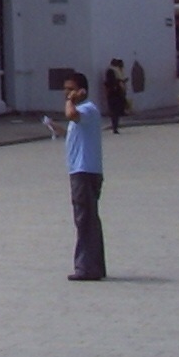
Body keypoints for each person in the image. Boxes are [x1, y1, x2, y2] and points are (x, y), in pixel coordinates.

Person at [43, 71, 104, 281]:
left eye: (70, 89)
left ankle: (86, 267)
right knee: (89, 220)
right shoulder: (82, 113)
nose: (66, 93)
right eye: (65, 90)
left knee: (84, 220)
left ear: (81, 90)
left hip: (84, 171)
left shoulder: (86, 109)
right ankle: (95, 265)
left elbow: (71, 115)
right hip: (82, 169)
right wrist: (57, 129)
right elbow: (73, 131)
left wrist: (71, 101)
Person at [101, 58, 130, 134]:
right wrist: (119, 83)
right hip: (114, 94)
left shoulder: (115, 71)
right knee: (114, 112)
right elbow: (112, 82)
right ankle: (115, 127)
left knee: (115, 112)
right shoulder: (112, 71)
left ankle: (115, 127)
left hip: (115, 93)